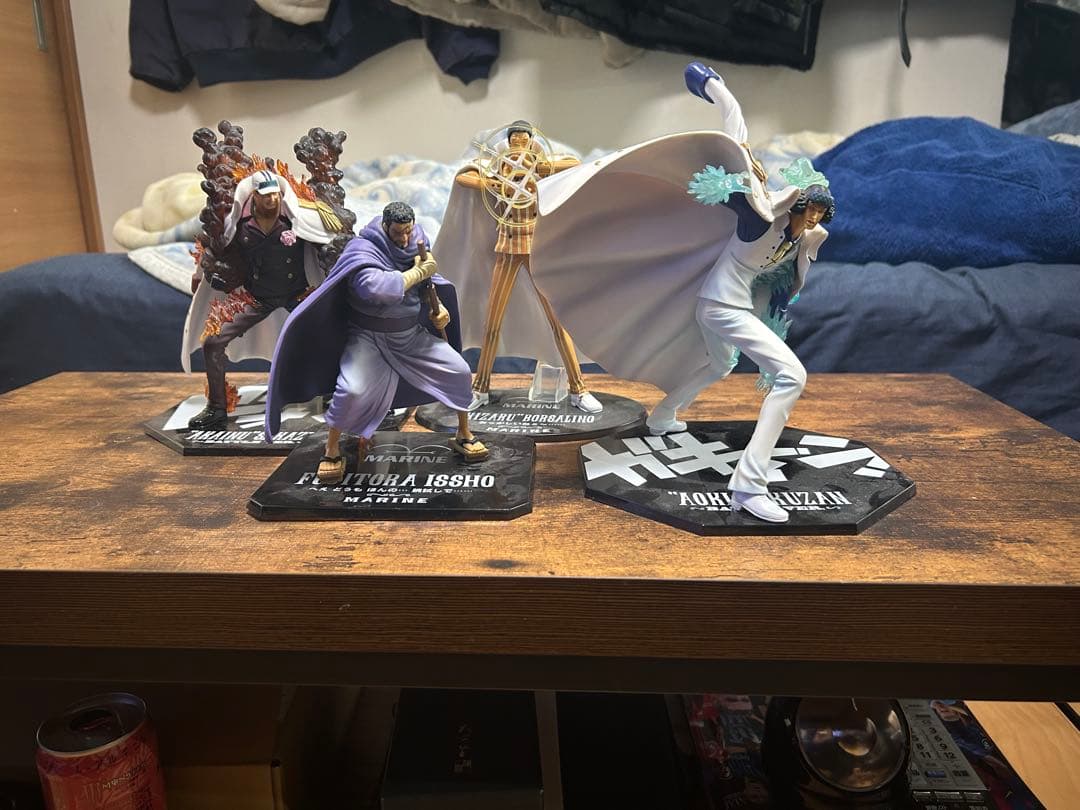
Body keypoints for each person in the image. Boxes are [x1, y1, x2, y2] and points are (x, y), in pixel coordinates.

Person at [529, 63, 834, 523]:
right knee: (792, 376)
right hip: (723, 307)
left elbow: (784, 278)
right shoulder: (758, 219)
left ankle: (662, 416)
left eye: (820, 215)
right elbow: (736, 144)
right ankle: (749, 486)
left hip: (721, 305)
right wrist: (715, 88)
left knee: (720, 364)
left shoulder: (802, 238)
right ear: (796, 202)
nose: (813, 219)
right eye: (809, 210)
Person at [264, 202, 487, 485]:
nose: (404, 238)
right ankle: (331, 449)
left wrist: (438, 308)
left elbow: (426, 287)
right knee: (351, 390)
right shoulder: (362, 250)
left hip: (409, 336)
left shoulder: (417, 241)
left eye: (408, 231)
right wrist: (420, 272)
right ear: (385, 226)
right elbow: (376, 289)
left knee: (459, 370)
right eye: (398, 232)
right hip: (369, 338)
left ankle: (464, 433)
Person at [436, 121, 603, 413]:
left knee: (557, 322)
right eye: (515, 139)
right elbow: (464, 178)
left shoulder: (540, 168)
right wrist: (495, 180)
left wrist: (537, 167)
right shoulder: (498, 169)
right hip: (507, 250)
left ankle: (578, 389)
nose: (519, 142)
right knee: (492, 323)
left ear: (530, 141)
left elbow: (574, 164)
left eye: (523, 139)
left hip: (535, 251)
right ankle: (480, 388)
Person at [181, 169, 336, 429]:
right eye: (265, 195)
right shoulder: (240, 228)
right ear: (254, 196)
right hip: (258, 296)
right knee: (213, 342)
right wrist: (202, 273)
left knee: (330, 332)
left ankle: (333, 392)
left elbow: (326, 242)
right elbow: (216, 250)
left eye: (275, 194)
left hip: (296, 292)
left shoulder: (296, 221)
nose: (272, 200)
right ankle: (217, 407)